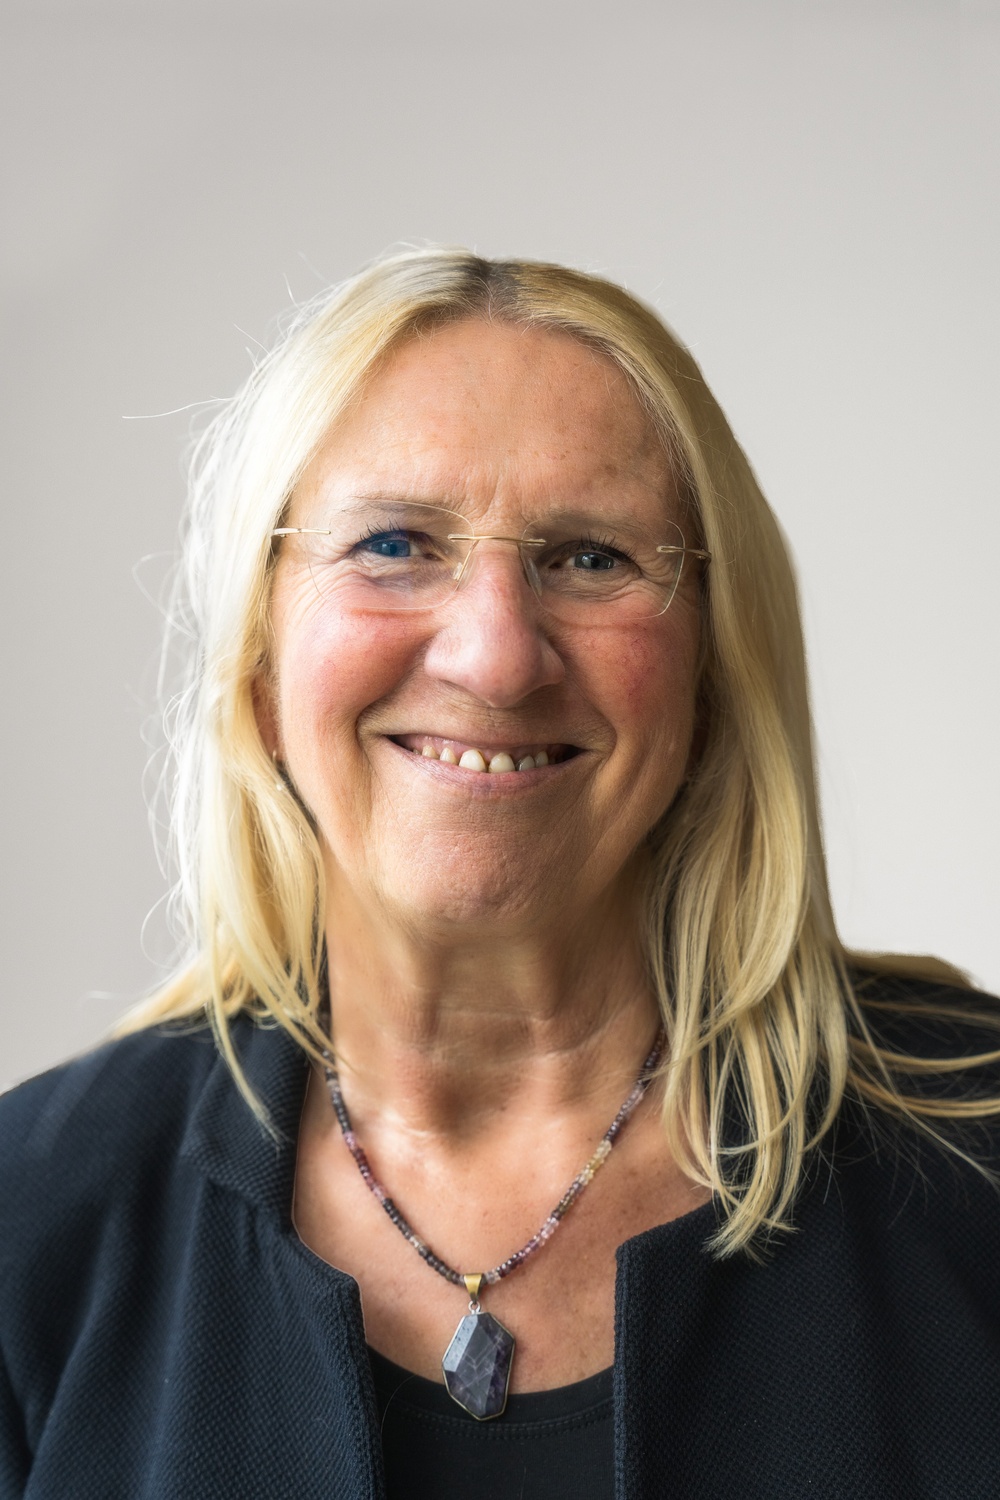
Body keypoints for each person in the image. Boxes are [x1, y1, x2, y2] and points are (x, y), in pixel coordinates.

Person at [2, 248, 999, 1500]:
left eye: (589, 557)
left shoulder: (978, 1162)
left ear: (711, 663)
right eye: (392, 544)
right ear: (260, 662)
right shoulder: (30, 1215)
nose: (494, 656)